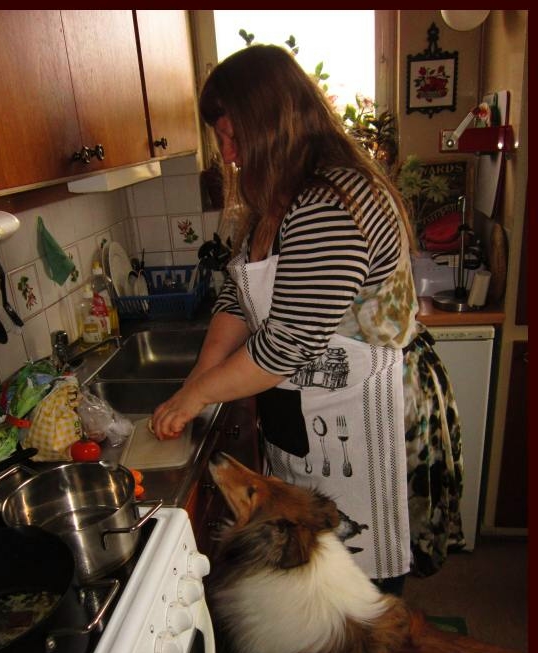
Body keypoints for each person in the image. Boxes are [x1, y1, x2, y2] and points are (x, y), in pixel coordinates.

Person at [151, 44, 464, 594]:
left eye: (234, 136)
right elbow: (238, 299)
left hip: (368, 414)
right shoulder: (281, 199)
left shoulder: (330, 203)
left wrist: (197, 395)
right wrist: (199, 377)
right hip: (313, 409)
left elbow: (285, 345)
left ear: (273, 125)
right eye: (221, 139)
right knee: (317, 578)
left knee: (359, 593)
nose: (228, 155)